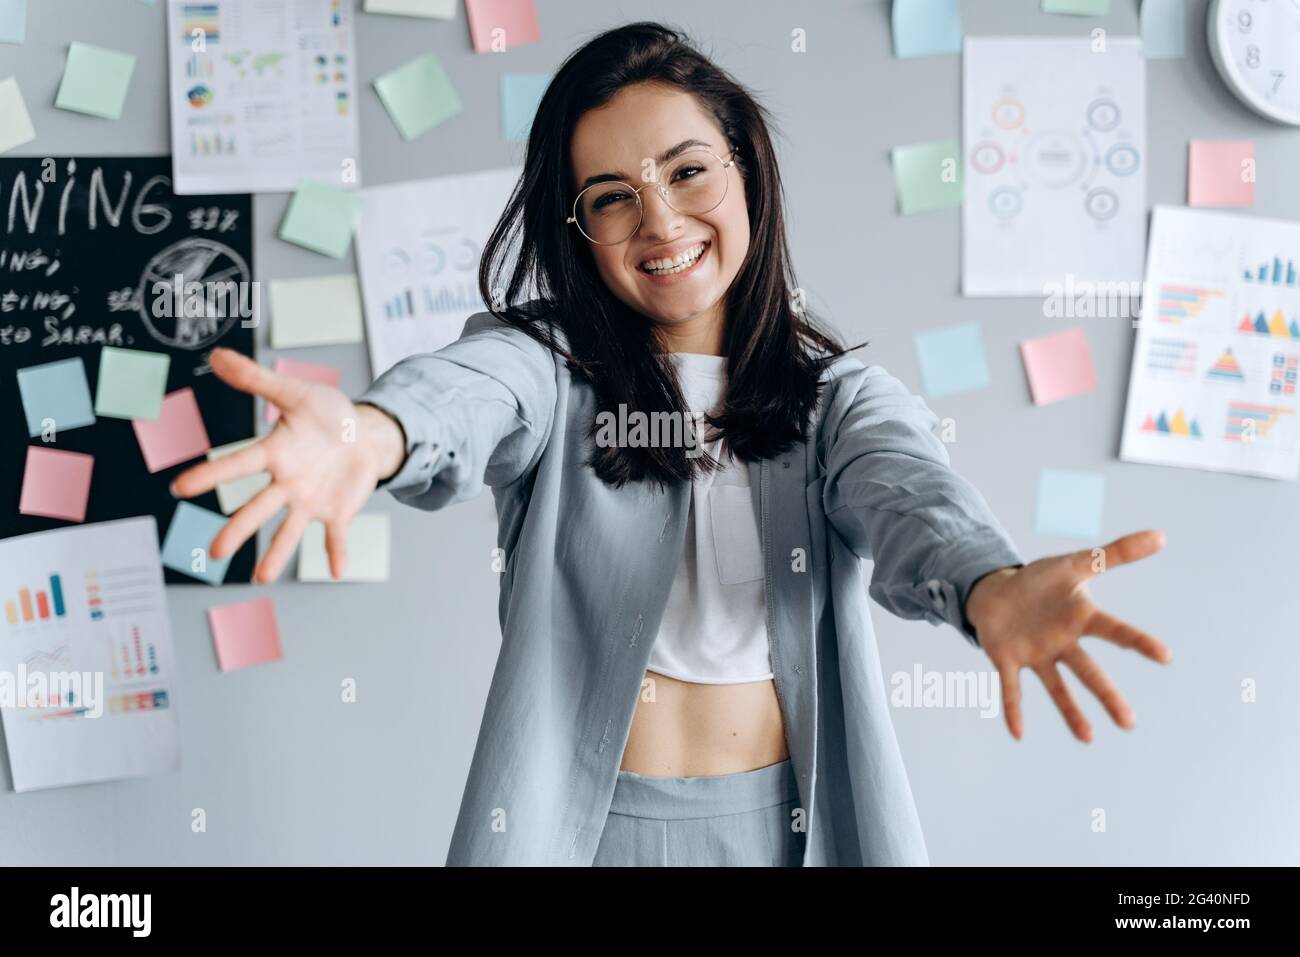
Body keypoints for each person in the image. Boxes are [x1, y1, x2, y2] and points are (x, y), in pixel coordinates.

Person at [171, 22, 1172, 866]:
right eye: (611, 196)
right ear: (580, 229)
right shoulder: (545, 372)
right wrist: (373, 430)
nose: (659, 219)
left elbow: (911, 497)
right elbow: (461, 398)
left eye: (687, 171)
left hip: (786, 830)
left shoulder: (836, 404)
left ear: (746, 170)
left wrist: (988, 585)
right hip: (586, 833)